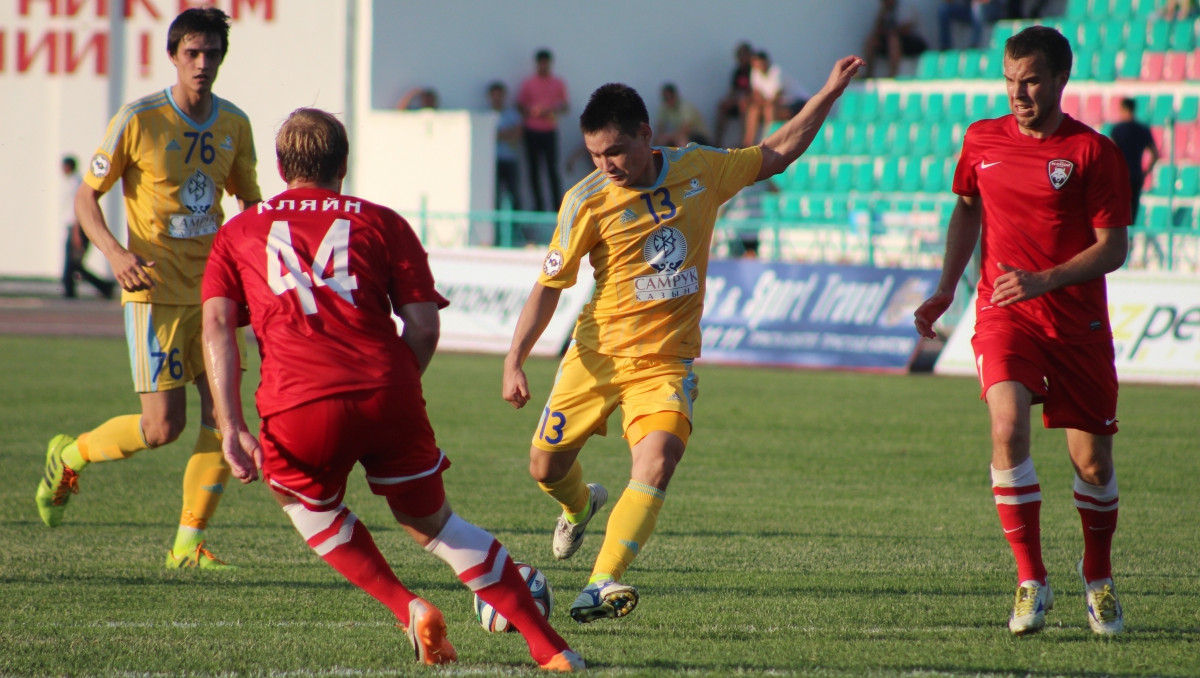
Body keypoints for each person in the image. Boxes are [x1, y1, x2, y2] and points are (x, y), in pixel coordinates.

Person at [201, 107, 584, 672]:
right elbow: (425, 326)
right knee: (436, 526)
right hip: (388, 388)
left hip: (297, 403)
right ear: (344, 164)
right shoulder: (383, 221)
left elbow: (215, 327)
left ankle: (408, 607)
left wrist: (230, 425)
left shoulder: (238, 232)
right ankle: (552, 650)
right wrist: (394, 386)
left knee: (303, 501)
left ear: (281, 167)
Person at [501, 55, 864, 624]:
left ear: (647, 134)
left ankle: (602, 582)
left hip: (664, 363)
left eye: (615, 151)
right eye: (596, 154)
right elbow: (549, 285)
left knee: (658, 458)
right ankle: (581, 503)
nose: (606, 165)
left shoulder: (700, 167)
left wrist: (828, 93)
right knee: (545, 469)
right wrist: (515, 359)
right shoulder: (586, 200)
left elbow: (776, 153)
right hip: (596, 354)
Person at [913, 26, 1130, 637]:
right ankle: (1031, 579)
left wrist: (1045, 279)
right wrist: (946, 286)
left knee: (1092, 464)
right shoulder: (981, 139)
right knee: (1007, 428)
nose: (1019, 92)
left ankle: (1098, 578)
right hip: (1004, 313)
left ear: (1060, 79)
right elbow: (966, 207)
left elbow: (1113, 249)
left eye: (1031, 80)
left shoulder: (1094, 153)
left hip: (1077, 325)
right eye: (1010, 80)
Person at [35, 8, 262, 569]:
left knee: (224, 416)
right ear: (173, 55)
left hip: (213, 296)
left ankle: (186, 545)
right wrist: (113, 254)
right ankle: (70, 454)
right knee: (163, 428)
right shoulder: (137, 118)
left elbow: (250, 204)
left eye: (212, 53)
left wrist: (254, 273)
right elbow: (88, 197)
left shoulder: (235, 124)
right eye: (192, 53)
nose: (202, 63)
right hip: (154, 293)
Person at [517, 49, 569, 212]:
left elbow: (565, 106)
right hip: (532, 130)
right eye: (541, 63)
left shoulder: (558, 83)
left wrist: (552, 110)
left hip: (549, 130)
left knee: (552, 168)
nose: (543, 66)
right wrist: (533, 111)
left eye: (546, 63)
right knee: (534, 169)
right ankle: (538, 207)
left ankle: (556, 206)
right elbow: (520, 105)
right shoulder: (528, 83)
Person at [59, 155, 115, 300]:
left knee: (73, 263)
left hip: (77, 228)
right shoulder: (70, 182)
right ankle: (73, 290)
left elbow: (78, 210)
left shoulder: (76, 183)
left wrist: (76, 233)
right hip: (73, 228)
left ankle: (102, 286)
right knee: (72, 263)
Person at [742, 51, 811, 147]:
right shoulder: (755, 72)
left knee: (769, 109)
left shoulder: (776, 71)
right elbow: (757, 95)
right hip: (779, 104)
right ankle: (747, 144)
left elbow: (775, 98)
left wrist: (759, 102)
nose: (759, 67)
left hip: (798, 103)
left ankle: (767, 142)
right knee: (754, 110)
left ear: (767, 62)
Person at [1108, 97, 1159, 225]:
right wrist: (1146, 171)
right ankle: (1130, 241)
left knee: (1118, 211)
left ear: (1124, 109)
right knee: (1132, 211)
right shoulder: (1143, 129)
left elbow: (1110, 153)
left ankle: (1121, 241)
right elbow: (1155, 154)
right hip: (1136, 175)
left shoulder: (1117, 129)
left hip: (1120, 175)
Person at [863, 0, 929, 78]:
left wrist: (889, 32)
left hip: (915, 42)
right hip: (895, 40)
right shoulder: (885, 10)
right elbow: (877, 30)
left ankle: (893, 74)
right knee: (872, 41)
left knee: (893, 39)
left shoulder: (905, 6)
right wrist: (882, 14)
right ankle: (868, 74)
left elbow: (906, 29)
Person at [489, 81, 523, 212]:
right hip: (493, 161)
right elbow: (488, 136)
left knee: (514, 195)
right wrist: (508, 133)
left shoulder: (512, 114)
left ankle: (516, 229)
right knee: (494, 196)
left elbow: (518, 133)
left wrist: (498, 135)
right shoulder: (487, 115)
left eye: (499, 95)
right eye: (494, 95)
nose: (497, 98)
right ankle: (495, 230)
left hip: (510, 159)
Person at [713, 42, 754, 147]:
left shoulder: (754, 70)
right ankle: (717, 143)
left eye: (742, 55)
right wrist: (728, 100)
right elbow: (733, 90)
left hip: (750, 103)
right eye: (738, 55)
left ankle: (744, 142)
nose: (740, 58)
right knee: (723, 106)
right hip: (739, 101)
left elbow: (755, 91)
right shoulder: (737, 71)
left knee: (743, 105)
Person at [653, 83, 713, 148]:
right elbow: (660, 127)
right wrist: (660, 138)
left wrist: (668, 137)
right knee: (660, 141)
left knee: (680, 139)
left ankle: (687, 157)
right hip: (684, 136)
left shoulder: (685, 106)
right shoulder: (664, 108)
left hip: (699, 137)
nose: (668, 100)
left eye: (670, 97)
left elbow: (686, 129)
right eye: (665, 98)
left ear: (675, 96)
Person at [938, 0, 1007, 51]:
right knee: (944, 10)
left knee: (976, 7)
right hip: (970, 12)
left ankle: (974, 45)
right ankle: (946, 46)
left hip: (989, 10)